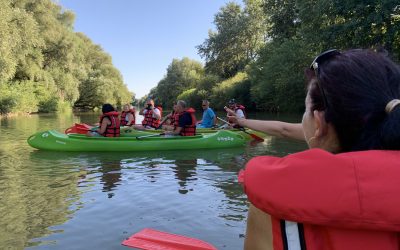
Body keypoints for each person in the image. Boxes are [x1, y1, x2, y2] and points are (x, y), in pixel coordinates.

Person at [237, 49, 400, 249]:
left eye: (305, 110)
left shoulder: (272, 207)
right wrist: (242, 121)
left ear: (319, 123)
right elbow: (284, 129)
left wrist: (241, 121)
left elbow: (285, 129)